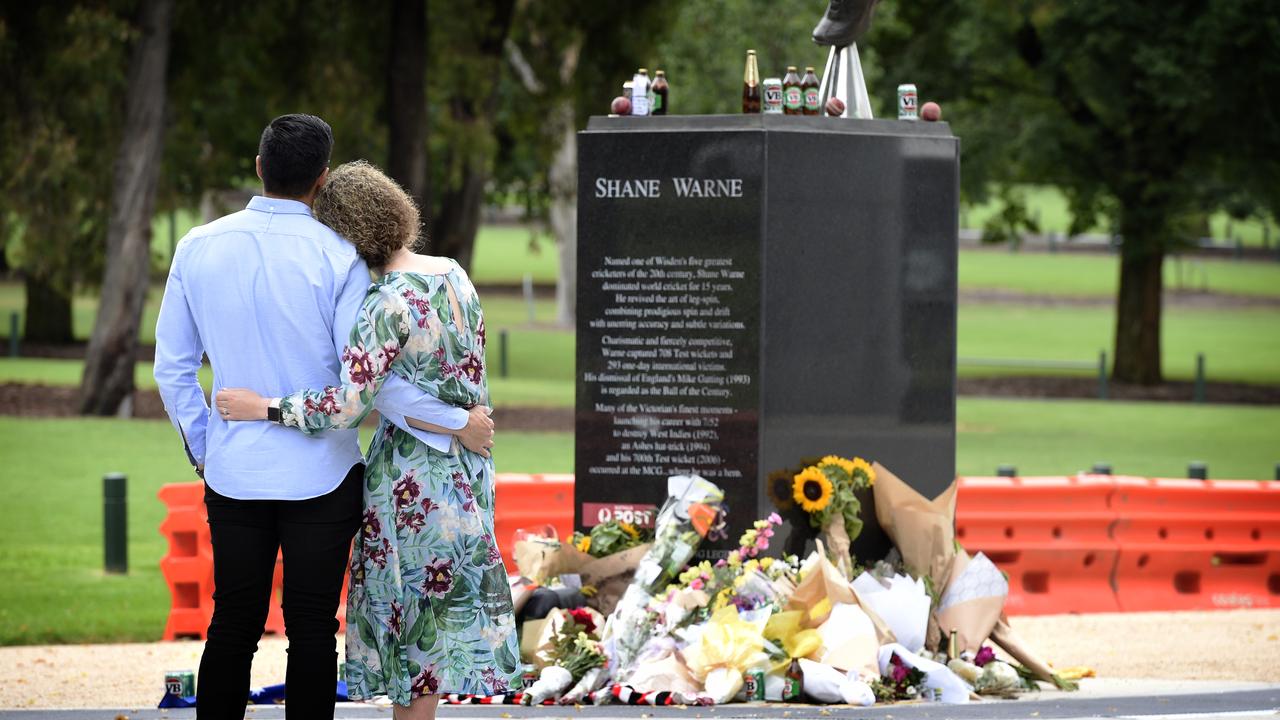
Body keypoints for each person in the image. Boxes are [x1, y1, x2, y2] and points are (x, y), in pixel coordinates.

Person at [154, 114, 495, 720]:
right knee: (311, 626)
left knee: (232, 620)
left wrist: (208, 449)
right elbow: (369, 385)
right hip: (323, 474)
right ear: (323, 178)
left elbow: (173, 370)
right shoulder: (341, 257)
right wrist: (455, 420)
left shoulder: (196, 247)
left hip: (233, 470)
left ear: (259, 167)